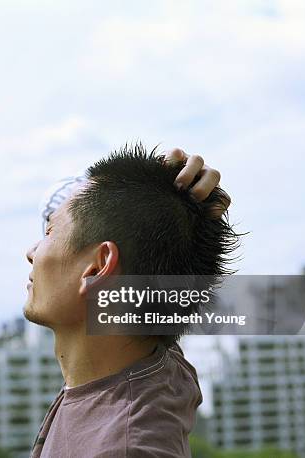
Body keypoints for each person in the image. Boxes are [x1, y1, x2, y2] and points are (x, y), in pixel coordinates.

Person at [24, 144, 237, 458]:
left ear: (97, 268)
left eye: (50, 230)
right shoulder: (153, 370)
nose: (31, 251)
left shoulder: (125, 447)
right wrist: (172, 204)